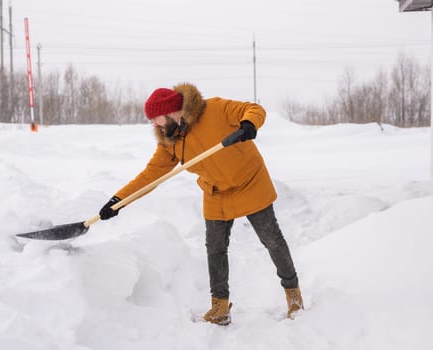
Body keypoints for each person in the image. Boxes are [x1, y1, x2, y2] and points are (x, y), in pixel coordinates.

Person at [99, 82, 303, 325]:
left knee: (272, 239)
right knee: (215, 248)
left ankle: (294, 296)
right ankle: (219, 307)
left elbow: (254, 109)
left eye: (156, 118)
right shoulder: (170, 141)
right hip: (216, 192)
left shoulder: (214, 109)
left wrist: (249, 125)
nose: (154, 125)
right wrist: (119, 200)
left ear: (171, 112)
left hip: (249, 182)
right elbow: (149, 176)